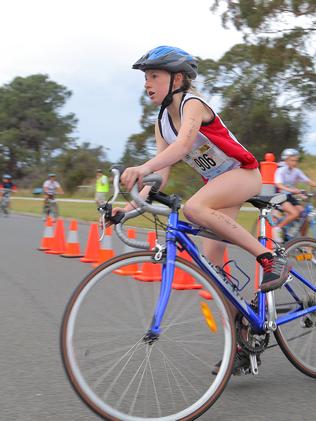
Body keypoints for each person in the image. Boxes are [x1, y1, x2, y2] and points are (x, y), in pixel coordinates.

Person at [112, 46, 290, 372]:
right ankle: (244, 342)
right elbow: (160, 176)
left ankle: (270, 258)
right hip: (219, 183)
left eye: (154, 76)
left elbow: (182, 147)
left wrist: (142, 165)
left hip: (244, 174)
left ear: (177, 78)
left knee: (194, 207)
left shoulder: (193, 104)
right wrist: (129, 206)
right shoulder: (162, 121)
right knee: (214, 271)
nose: (147, 83)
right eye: (145, 78)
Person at [273, 148, 316, 241]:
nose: (295, 162)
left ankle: (300, 238)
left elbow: (308, 181)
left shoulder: (296, 171)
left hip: (290, 196)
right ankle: (277, 229)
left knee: (304, 214)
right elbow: (279, 185)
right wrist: (292, 190)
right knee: (294, 213)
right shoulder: (281, 170)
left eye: (296, 160)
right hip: (280, 196)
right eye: (292, 160)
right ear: (286, 160)